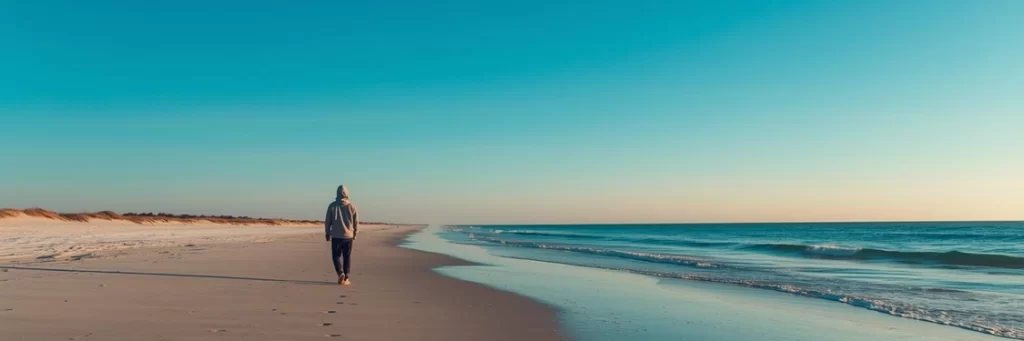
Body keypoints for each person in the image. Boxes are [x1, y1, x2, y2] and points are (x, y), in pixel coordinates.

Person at [325, 185, 358, 286]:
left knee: (336, 256)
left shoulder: (332, 205)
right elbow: (356, 222)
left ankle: (340, 272)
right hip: (348, 236)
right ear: (347, 194)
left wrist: (327, 233)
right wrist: (355, 233)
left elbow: (328, 221)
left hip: (336, 235)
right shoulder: (352, 206)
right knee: (347, 256)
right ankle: (346, 277)